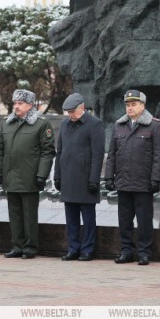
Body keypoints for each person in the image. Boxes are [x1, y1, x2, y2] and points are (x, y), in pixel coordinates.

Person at [104, 90, 160, 266]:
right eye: (128, 104)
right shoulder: (119, 125)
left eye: (134, 104)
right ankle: (126, 251)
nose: (130, 108)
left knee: (144, 220)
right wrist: (109, 176)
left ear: (142, 106)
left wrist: (156, 179)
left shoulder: (154, 125)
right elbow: (112, 155)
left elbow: (159, 155)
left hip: (143, 182)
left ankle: (145, 253)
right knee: (124, 220)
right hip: (123, 182)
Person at [0, 90, 55, 259]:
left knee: (29, 215)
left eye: (20, 103)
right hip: (11, 176)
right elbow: (0, 150)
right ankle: (17, 246)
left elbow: (47, 152)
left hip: (29, 176)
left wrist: (42, 175)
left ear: (30, 105)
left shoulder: (41, 124)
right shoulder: (7, 124)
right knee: (14, 214)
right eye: (15, 103)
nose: (16, 106)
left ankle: (30, 247)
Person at [54, 92, 105, 261]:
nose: (70, 115)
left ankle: (88, 249)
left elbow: (97, 155)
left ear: (82, 107)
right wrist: (57, 176)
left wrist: (94, 179)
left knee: (88, 219)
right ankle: (73, 248)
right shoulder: (64, 124)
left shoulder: (95, 124)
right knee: (71, 218)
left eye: (73, 111)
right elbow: (59, 151)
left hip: (85, 179)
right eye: (68, 112)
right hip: (68, 178)